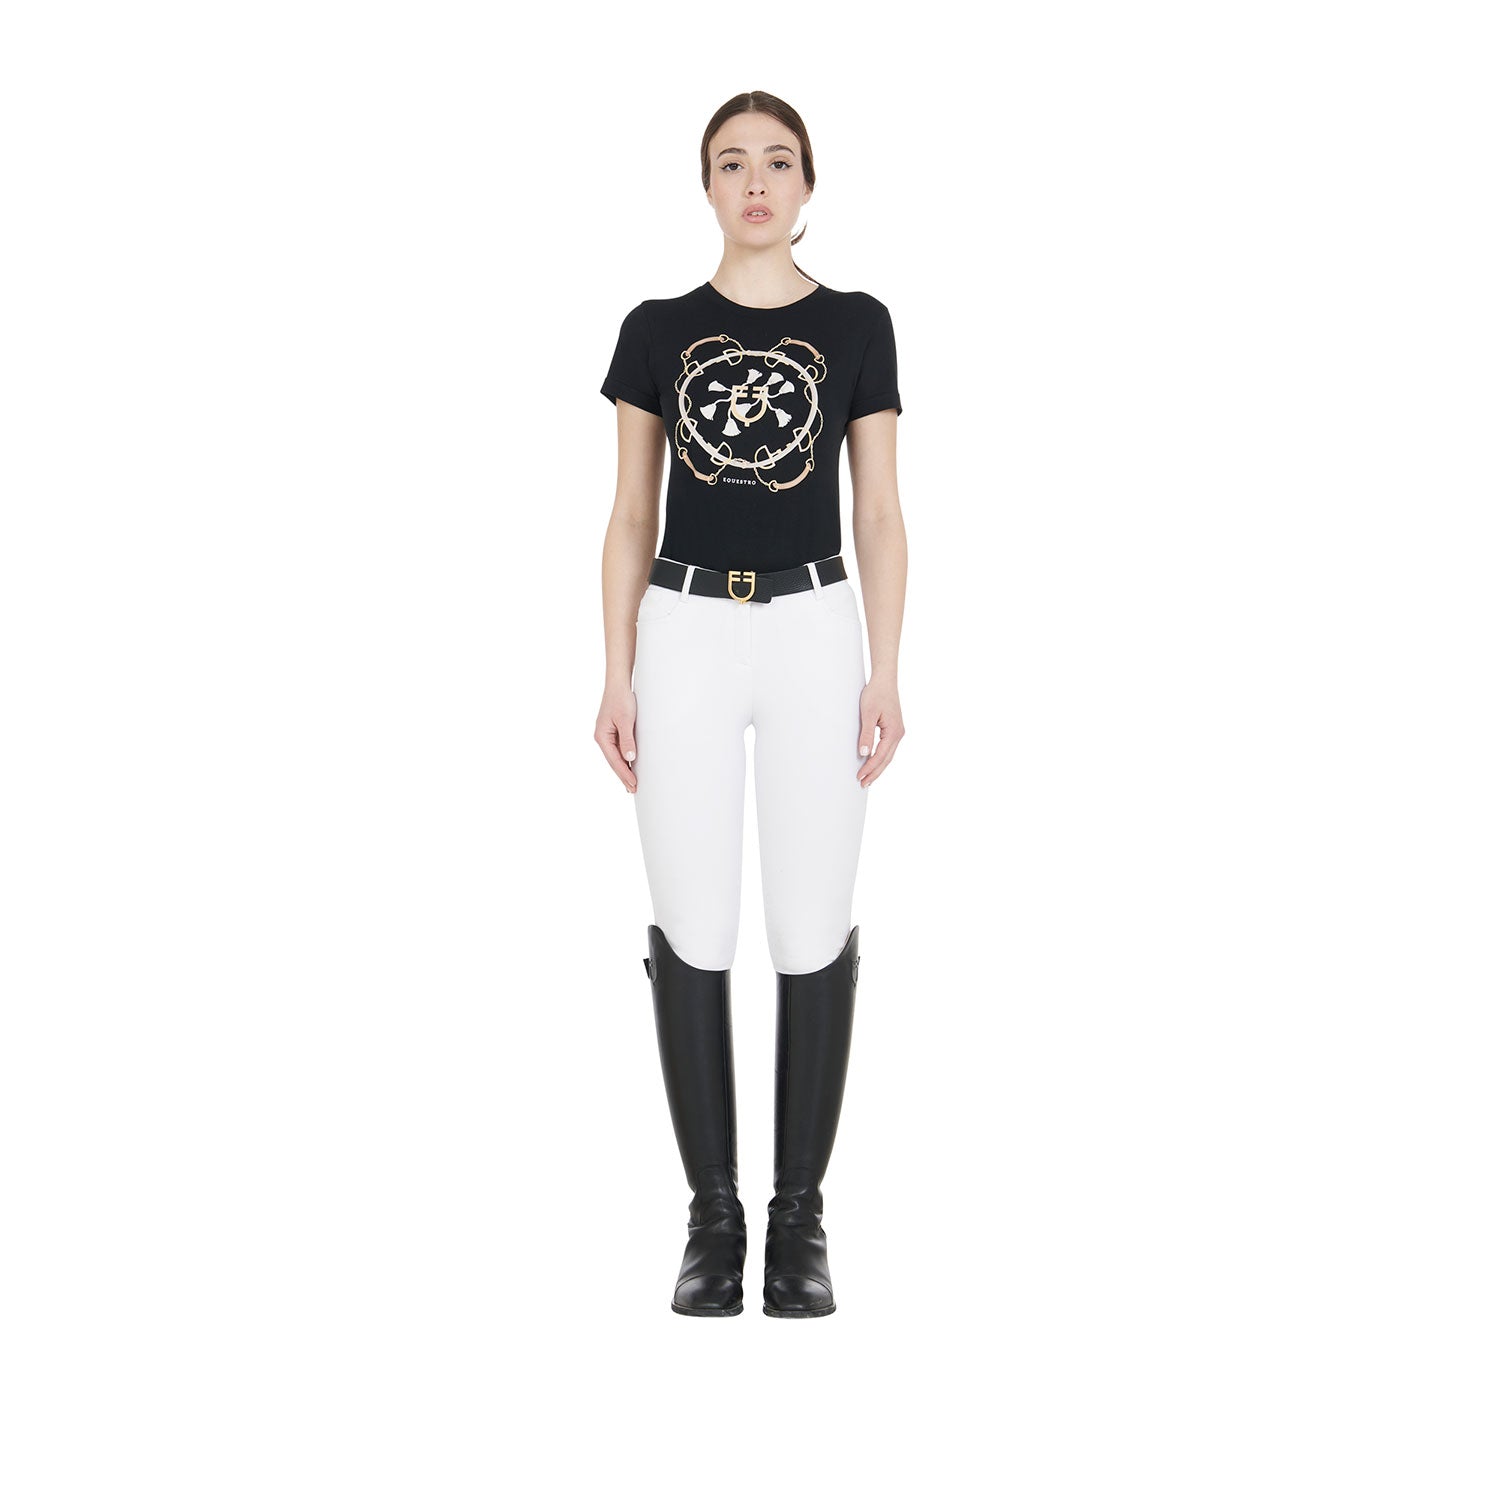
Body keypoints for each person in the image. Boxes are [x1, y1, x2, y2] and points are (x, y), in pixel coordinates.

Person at [594, 91, 908, 1318]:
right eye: (733, 163)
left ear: (809, 183)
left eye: (778, 161)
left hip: (816, 626)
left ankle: (801, 1221)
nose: (757, 182)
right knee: (693, 916)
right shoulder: (658, 330)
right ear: (707, 186)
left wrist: (886, 667)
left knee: (812, 919)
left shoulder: (858, 325)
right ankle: (712, 1219)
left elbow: (878, 510)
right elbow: (631, 512)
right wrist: (615, 669)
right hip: (682, 628)